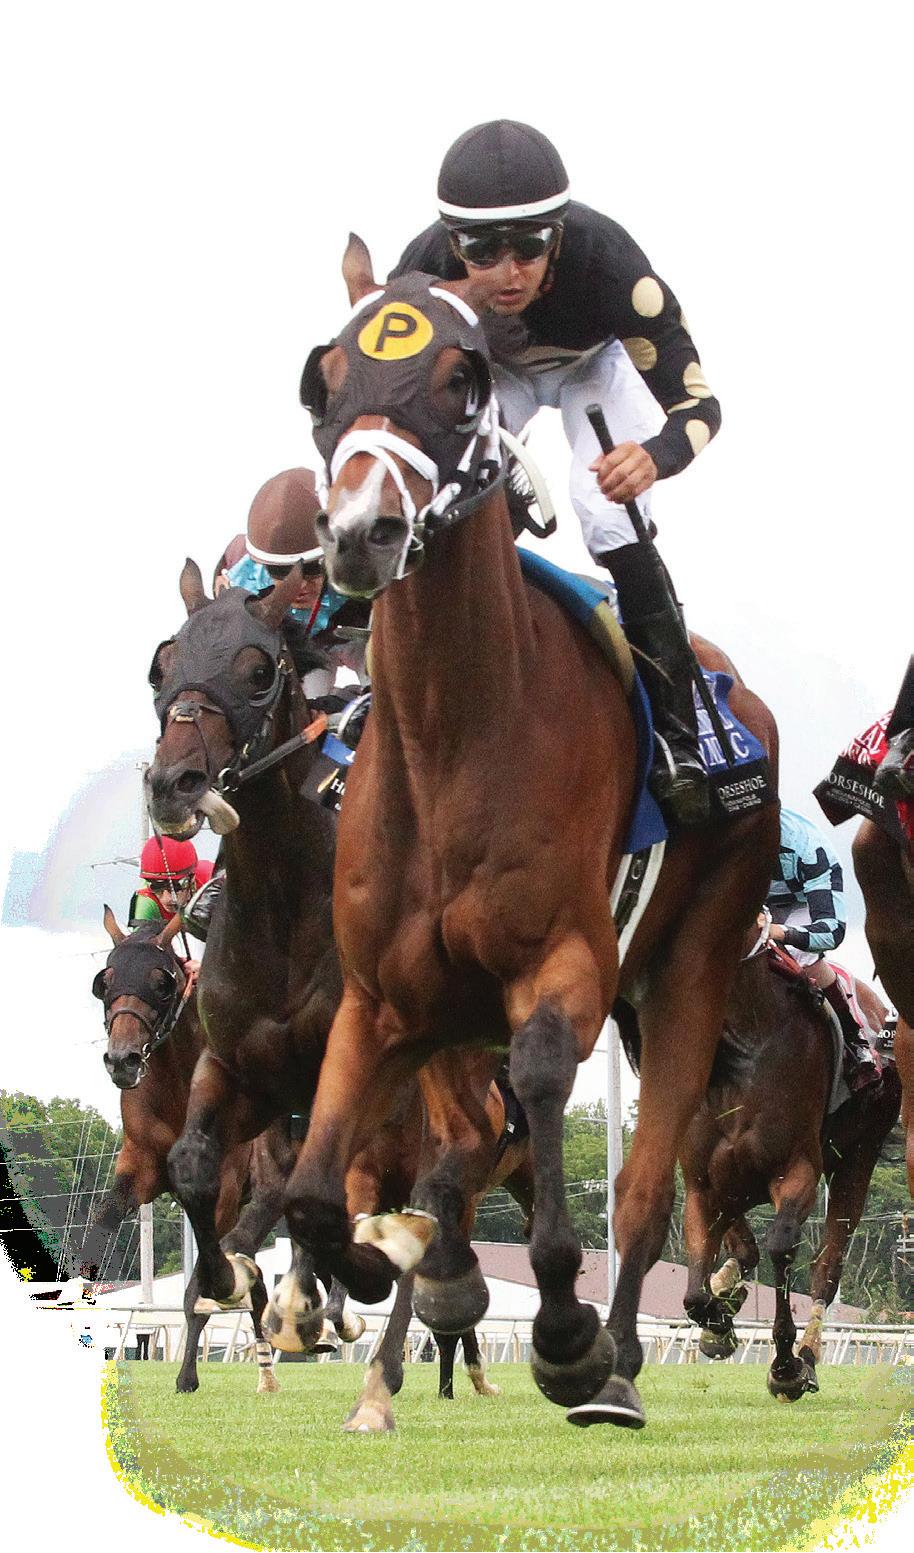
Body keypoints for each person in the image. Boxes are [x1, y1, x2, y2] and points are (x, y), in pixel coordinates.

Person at [390, 119, 721, 824]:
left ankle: (676, 734)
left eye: (530, 245)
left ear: (561, 237)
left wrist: (653, 456)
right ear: (452, 242)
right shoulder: (416, 274)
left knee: (603, 507)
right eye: (482, 250)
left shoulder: (614, 267)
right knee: (444, 486)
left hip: (592, 365)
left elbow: (699, 404)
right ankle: (386, 690)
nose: (509, 273)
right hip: (497, 372)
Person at [219, 466, 369, 696]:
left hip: (349, 637)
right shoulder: (241, 581)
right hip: (299, 650)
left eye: (312, 568)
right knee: (307, 700)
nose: (300, 584)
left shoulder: (359, 571)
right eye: (281, 571)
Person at [764, 808, 877, 1089]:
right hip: (759, 901)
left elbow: (831, 932)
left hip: (804, 901)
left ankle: (854, 1040)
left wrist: (780, 932)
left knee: (801, 955)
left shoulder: (807, 848)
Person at [128, 835, 198, 927]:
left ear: (192, 880)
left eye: (176, 886)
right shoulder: (145, 901)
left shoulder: (208, 882)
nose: (167, 899)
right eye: (156, 886)